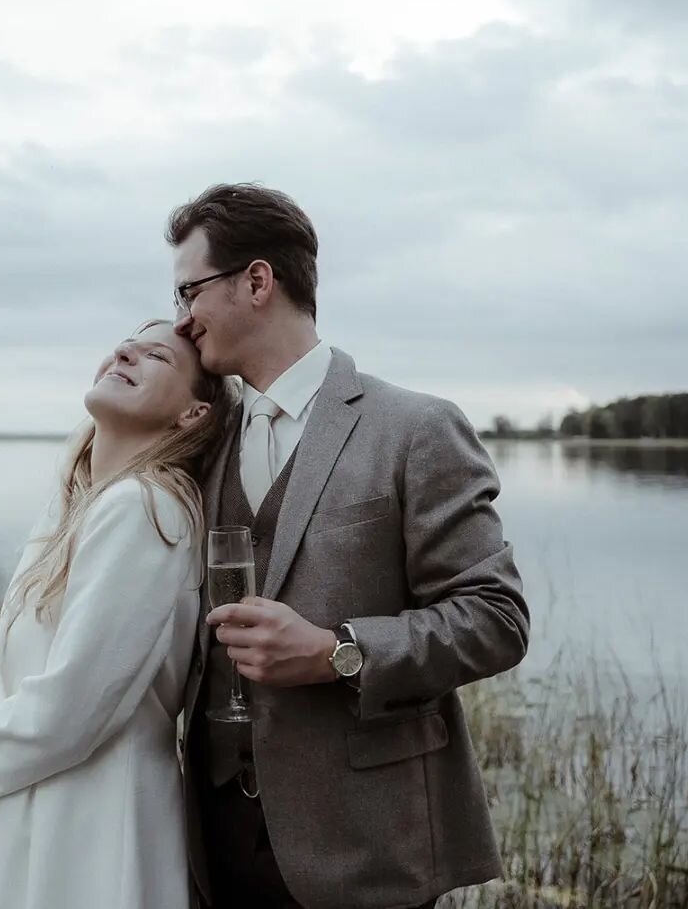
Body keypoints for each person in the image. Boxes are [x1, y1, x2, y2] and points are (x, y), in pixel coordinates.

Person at [170, 184, 530, 909]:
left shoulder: (415, 428)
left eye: (189, 291)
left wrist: (339, 651)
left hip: (364, 849)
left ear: (258, 280)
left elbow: (496, 619)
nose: (182, 322)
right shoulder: (201, 440)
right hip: (212, 845)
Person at [0, 319, 237, 909]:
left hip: (92, 830)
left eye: (156, 355)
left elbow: (72, 706)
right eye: (127, 343)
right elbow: (13, 669)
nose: (126, 350)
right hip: (39, 811)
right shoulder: (77, 505)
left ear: (192, 415)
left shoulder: (147, 508)